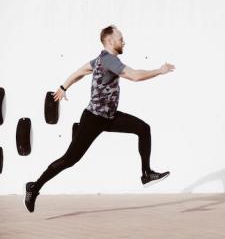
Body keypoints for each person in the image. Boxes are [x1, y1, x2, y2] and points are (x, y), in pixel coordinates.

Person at [24, 25, 175, 213]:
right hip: (93, 119)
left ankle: (146, 173)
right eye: (121, 38)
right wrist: (159, 70)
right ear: (110, 41)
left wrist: (63, 87)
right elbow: (135, 76)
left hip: (109, 117)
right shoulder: (109, 60)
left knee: (143, 128)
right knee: (69, 160)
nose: (124, 41)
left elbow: (79, 72)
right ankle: (34, 187)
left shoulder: (99, 60)